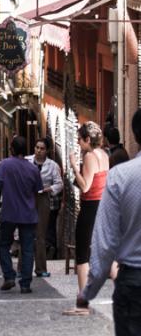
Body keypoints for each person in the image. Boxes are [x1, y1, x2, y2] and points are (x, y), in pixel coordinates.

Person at [76, 108, 141, 333]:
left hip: (134, 282)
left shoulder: (122, 176)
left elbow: (106, 243)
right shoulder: (109, 164)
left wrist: (88, 293)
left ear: (134, 135)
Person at [63, 121, 109, 317]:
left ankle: (82, 303)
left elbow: (85, 186)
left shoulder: (90, 156)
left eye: (80, 140)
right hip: (102, 205)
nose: (79, 144)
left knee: (82, 255)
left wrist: (74, 166)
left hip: (90, 207)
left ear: (88, 140)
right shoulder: (104, 155)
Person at [0, 136, 42, 294]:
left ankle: (9, 276)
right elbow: (38, 189)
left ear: (11, 149)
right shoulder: (33, 168)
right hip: (28, 213)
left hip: (9, 212)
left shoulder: (5, 164)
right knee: (27, 249)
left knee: (4, 245)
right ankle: (25, 284)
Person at [25, 137, 63, 277]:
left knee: (40, 235)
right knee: (26, 233)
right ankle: (21, 269)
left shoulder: (52, 165)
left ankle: (41, 269)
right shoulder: (26, 161)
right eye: (37, 147)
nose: (38, 151)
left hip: (42, 199)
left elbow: (59, 184)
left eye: (42, 148)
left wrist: (49, 188)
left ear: (47, 150)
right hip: (27, 198)